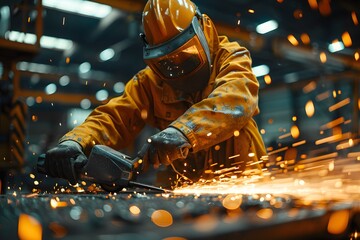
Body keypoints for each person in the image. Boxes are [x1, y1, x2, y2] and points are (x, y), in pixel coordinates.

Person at [43, 0, 267, 189]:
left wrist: (181, 133)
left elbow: (236, 100)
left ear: (204, 29)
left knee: (240, 128)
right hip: (186, 185)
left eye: (186, 54)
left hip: (242, 178)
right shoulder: (149, 82)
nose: (178, 68)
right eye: (167, 62)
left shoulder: (230, 57)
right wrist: (75, 143)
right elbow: (113, 118)